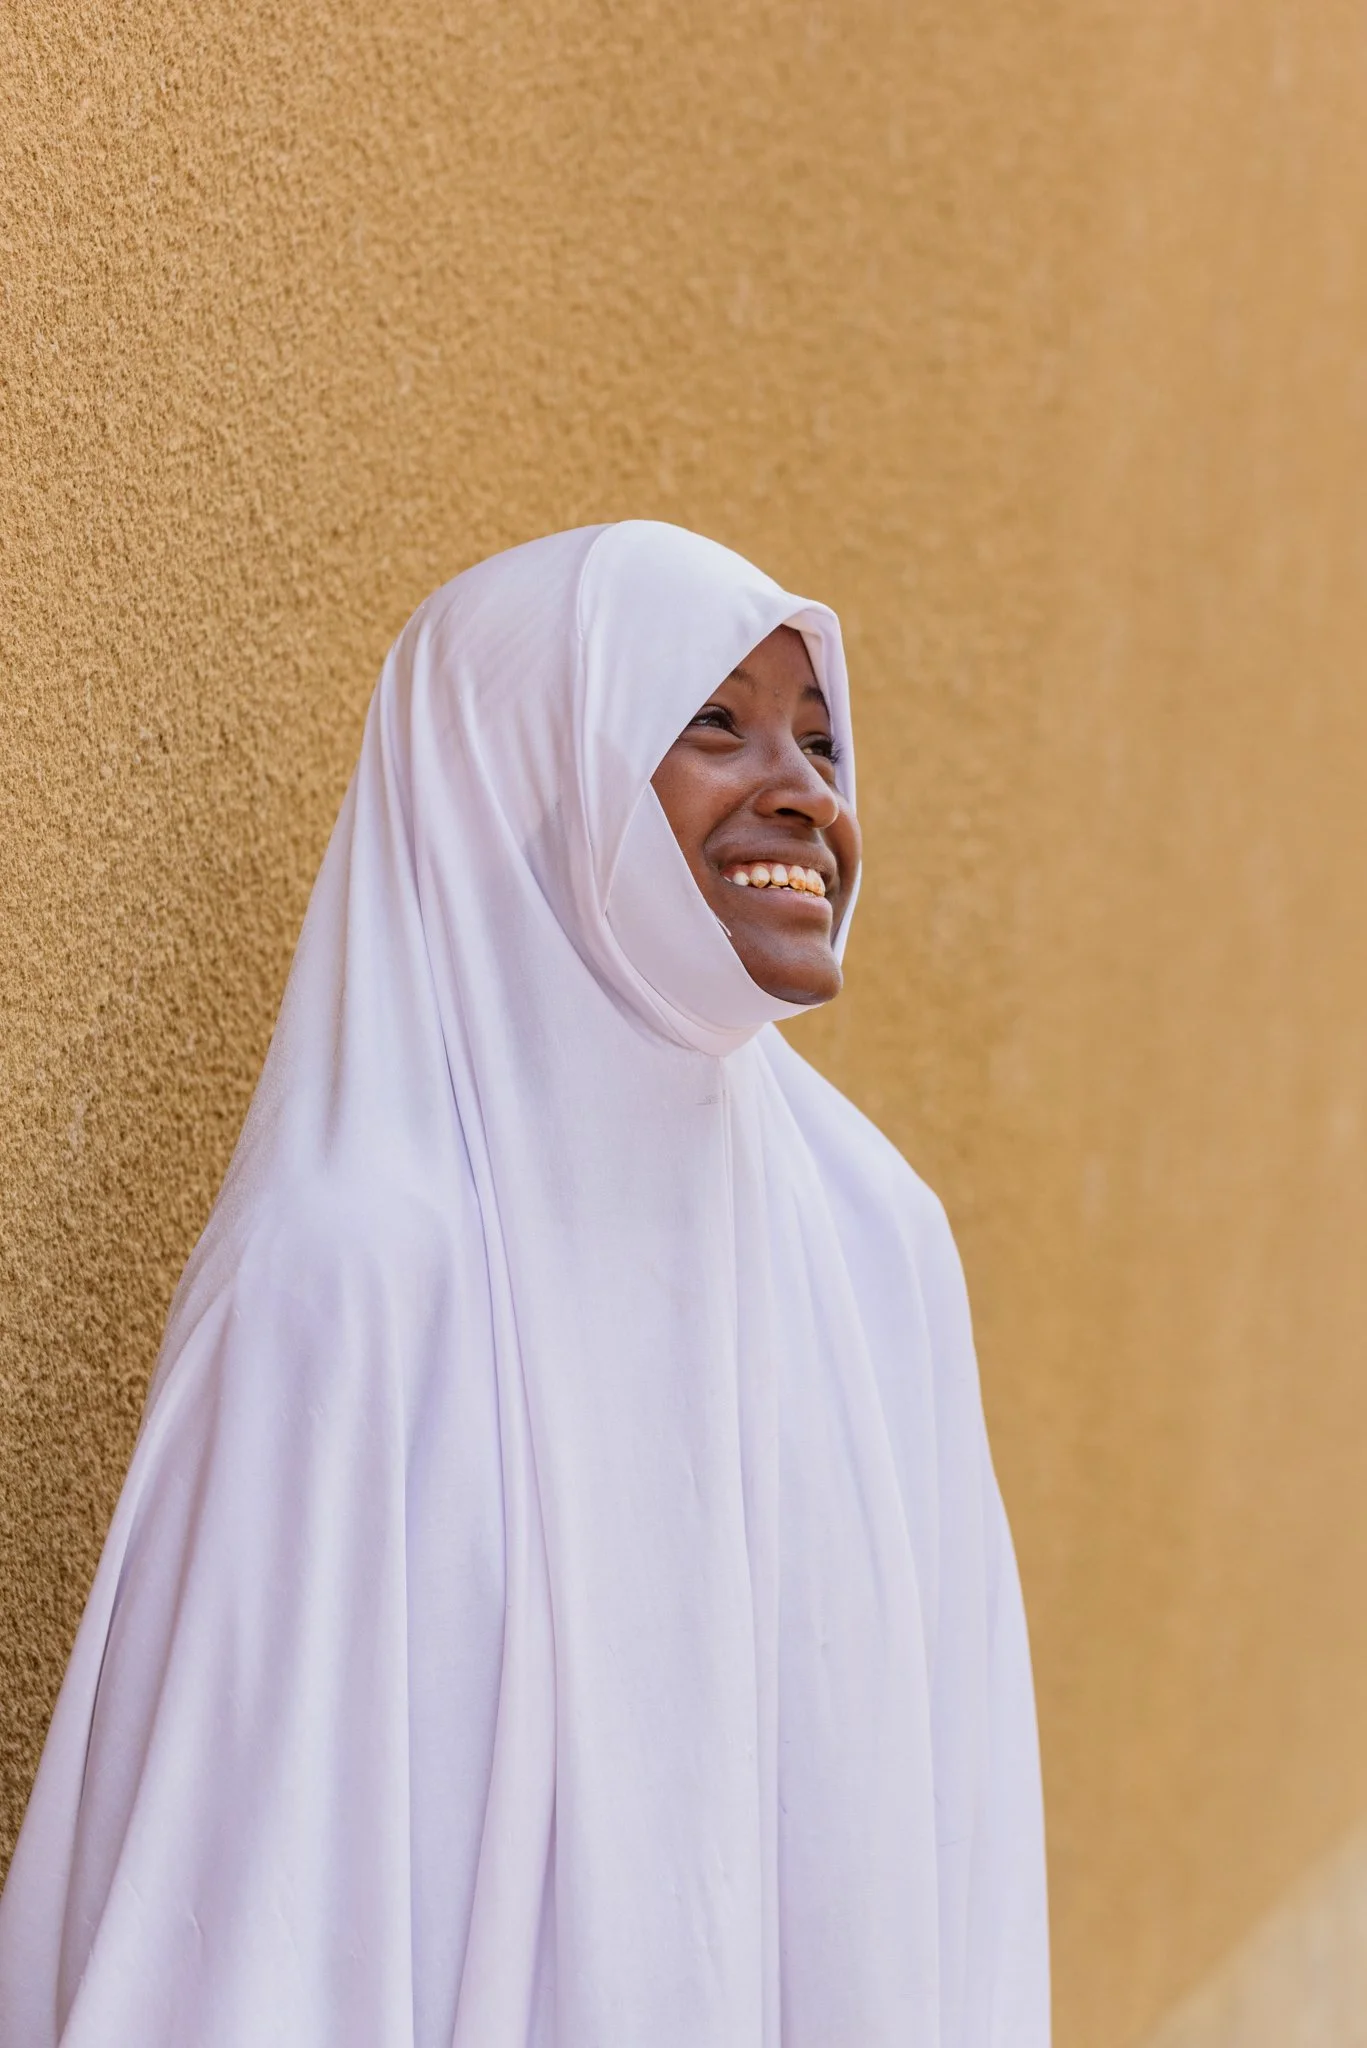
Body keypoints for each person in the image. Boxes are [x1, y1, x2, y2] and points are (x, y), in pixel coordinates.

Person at [0, 521, 1049, 2046]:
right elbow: (242, 1923)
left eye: (820, 737)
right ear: (520, 777)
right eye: (710, 722)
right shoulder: (350, 1284)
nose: (806, 791)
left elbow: (959, 1852)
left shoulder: (878, 1247)